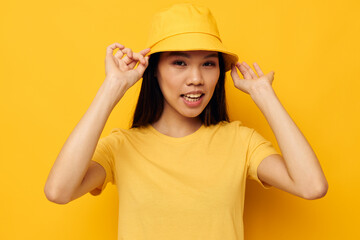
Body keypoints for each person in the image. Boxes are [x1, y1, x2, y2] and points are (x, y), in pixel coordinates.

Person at [44, 3, 328, 240]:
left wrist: (264, 94)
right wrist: (112, 88)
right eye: (180, 62)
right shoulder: (122, 147)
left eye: (208, 63)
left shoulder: (240, 141)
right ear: (154, 71)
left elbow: (312, 186)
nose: (196, 78)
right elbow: (59, 191)